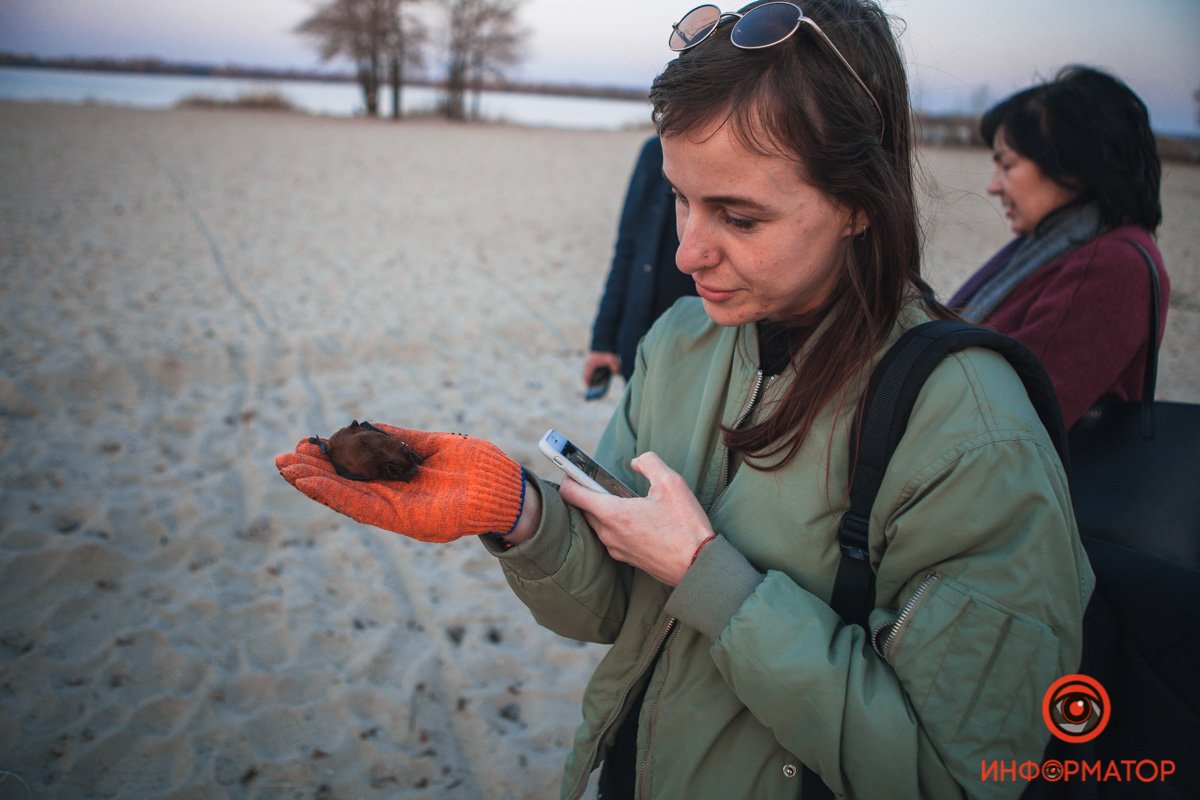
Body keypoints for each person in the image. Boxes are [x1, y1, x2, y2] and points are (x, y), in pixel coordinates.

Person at [277, 2, 1093, 797]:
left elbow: (956, 773)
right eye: (680, 197)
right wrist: (517, 510)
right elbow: (614, 610)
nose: (687, 251)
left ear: (857, 204)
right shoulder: (679, 342)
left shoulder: (974, 437)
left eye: (737, 216)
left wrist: (712, 578)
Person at [950, 65, 1170, 428]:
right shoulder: (1051, 245)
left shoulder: (1113, 265)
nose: (993, 186)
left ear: (1071, 166)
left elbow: (1010, 414)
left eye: (1007, 165)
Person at [584, 135, 695, 388]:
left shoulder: (735, 155)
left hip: (699, 346)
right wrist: (603, 340)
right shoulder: (654, 151)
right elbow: (627, 248)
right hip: (638, 341)